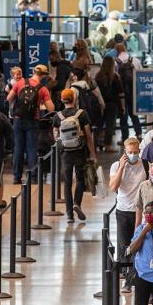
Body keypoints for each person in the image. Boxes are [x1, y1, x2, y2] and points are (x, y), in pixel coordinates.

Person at [7, 64, 55, 184]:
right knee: (32, 148)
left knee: (18, 148)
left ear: (33, 71)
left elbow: (9, 98)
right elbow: (51, 109)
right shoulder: (43, 89)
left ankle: (16, 177)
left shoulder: (20, 83)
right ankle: (33, 176)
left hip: (18, 120)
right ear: (43, 75)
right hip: (32, 121)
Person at [53, 88, 95, 223]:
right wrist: (93, 154)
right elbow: (88, 135)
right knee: (80, 178)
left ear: (62, 100)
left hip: (65, 153)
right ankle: (77, 203)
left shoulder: (58, 116)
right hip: (80, 150)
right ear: (74, 99)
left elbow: (55, 136)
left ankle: (69, 215)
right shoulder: (82, 114)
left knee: (67, 182)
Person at [110, 138, 148, 263]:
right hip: (123, 210)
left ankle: (137, 271)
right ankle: (124, 271)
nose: (133, 155)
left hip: (141, 211)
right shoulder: (116, 166)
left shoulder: (146, 165)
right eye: (130, 152)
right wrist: (121, 168)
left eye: (135, 152)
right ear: (125, 152)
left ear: (139, 151)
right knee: (124, 245)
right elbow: (113, 187)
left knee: (140, 242)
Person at [95, 55, 125, 151]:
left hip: (100, 104)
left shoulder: (98, 76)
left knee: (98, 125)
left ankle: (95, 144)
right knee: (110, 126)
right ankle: (107, 146)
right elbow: (121, 93)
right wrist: (123, 107)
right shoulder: (115, 77)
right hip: (113, 104)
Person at [114, 41, 143, 141]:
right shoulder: (135, 60)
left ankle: (125, 138)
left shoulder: (115, 62)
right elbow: (141, 74)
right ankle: (139, 134)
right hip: (133, 91)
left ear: (116, 51)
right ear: (125, 49)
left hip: (121, 92)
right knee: (134, 114)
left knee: (123, 115)